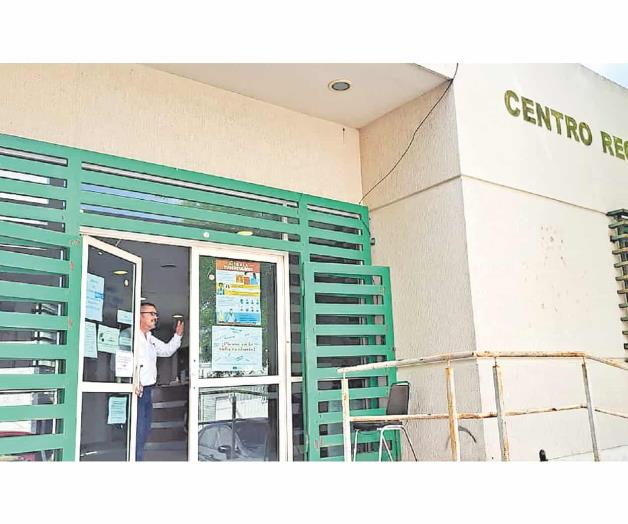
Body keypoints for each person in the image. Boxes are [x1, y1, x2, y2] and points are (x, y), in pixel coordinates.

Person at [135, 302, 184, 461]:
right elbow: (120, 362)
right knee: (136, 430)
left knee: (144, 429)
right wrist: (132, 381)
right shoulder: (131, 336)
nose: (155, 317)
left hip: (147, 390)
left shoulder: (150, 339)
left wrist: (178, 336)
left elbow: (166, 350)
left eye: (156, 314)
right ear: (140, 315)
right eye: (152, 314)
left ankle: (138, 458)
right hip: (135, 391)